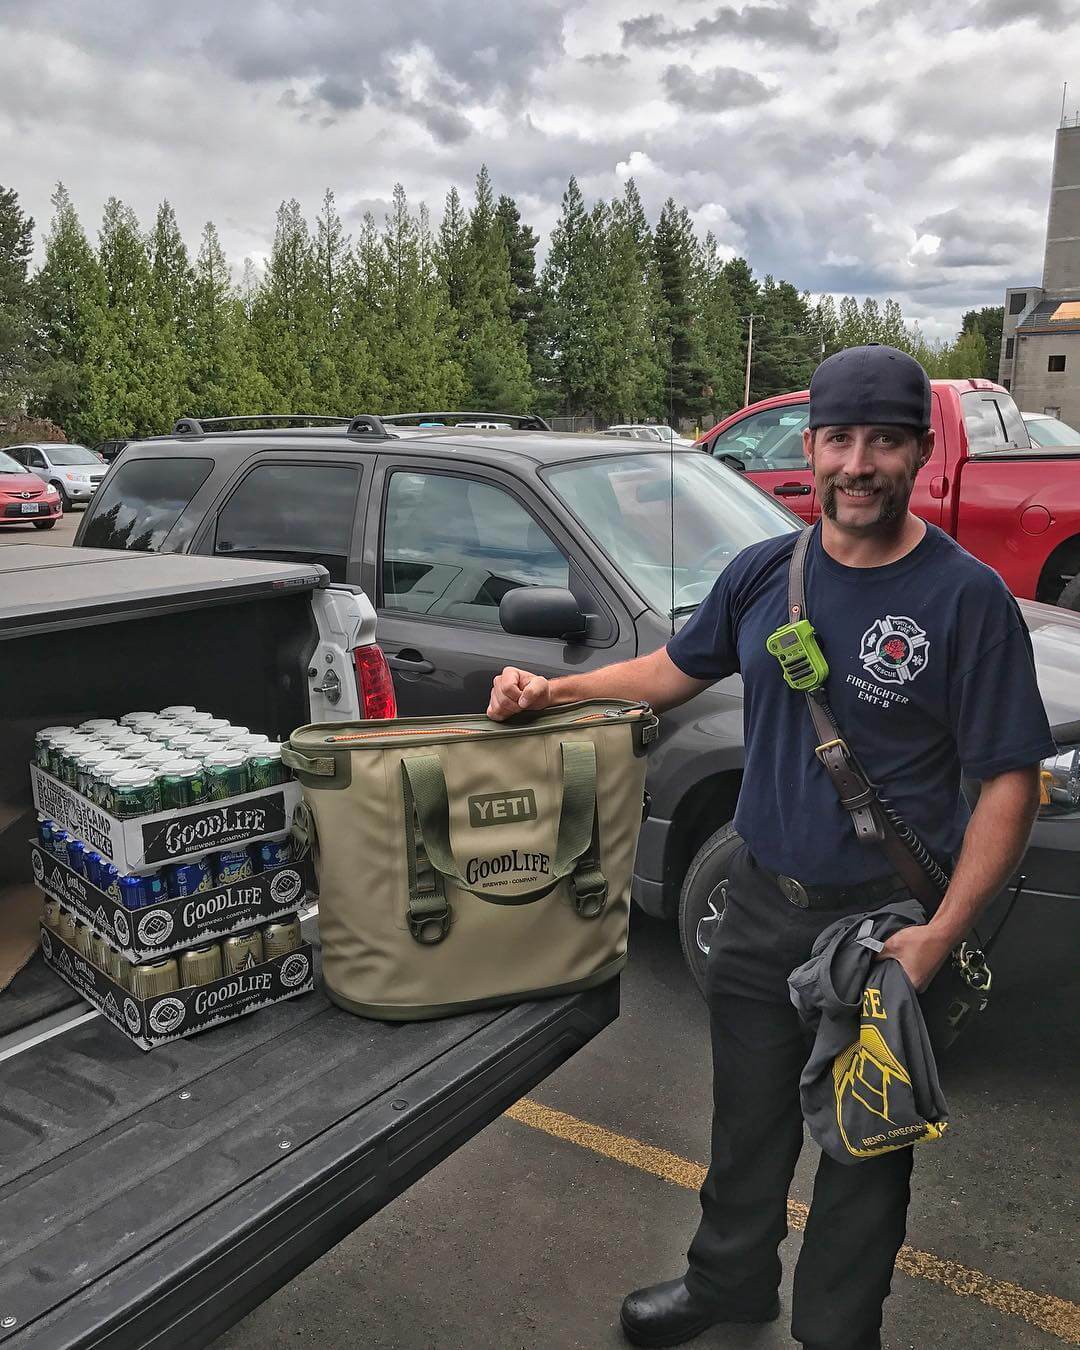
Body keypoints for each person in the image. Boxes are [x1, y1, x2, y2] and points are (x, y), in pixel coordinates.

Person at [486, 344, 1055, 1350]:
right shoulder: (766, 571)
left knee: (864, 1156)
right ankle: (728, 1285)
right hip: (759, 905)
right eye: (840, 439)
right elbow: (672, 669)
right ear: (814, 447)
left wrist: (941, 933)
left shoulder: (964, 599)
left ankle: (836, 1334)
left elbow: (1012, 780)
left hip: (879, 931)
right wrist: (553, 693)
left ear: (920, 452)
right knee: (745, 1124)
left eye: (885, 441)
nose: (860, 463)